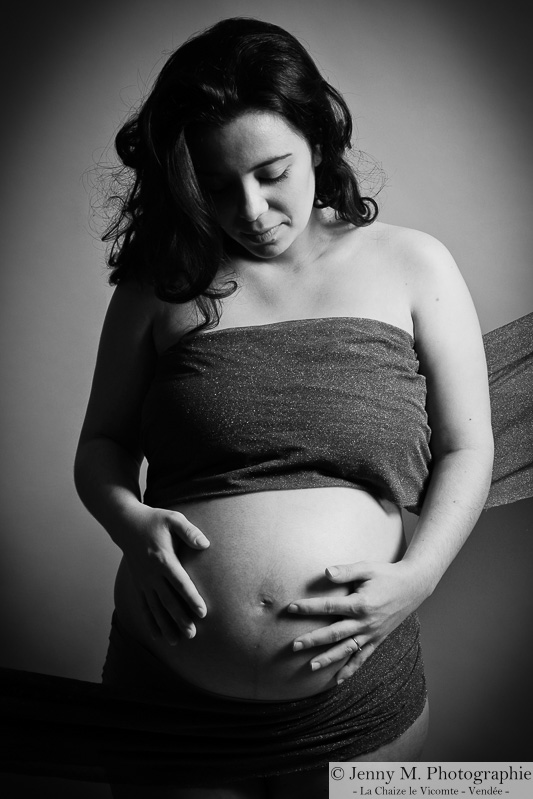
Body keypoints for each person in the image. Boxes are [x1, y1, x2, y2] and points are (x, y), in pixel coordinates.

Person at [3, 14, 530, 799]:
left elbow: (466, 446)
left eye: (271, 171)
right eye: (217, 185)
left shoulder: (412, 264)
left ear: (317, 140)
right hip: (165, 703)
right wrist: (130, 522)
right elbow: (101, 444)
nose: (248, 209)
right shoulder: (158, 287)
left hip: (356, 703)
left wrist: (416, 577)